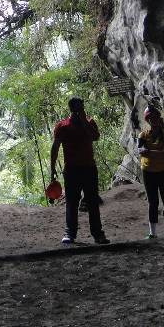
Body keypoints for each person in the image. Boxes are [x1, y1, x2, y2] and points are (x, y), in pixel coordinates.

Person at [50, 97, 110, 245]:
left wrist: (83, 121)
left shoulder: (89, 122)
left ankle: (98, 234)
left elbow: (96, 137)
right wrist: (52, 170)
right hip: (71, 170)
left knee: (93, 202)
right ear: (71, 109)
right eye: (77, 108)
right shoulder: (62, 126)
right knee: (71, 202)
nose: (80, 110)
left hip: (89, 168)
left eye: (81, 107)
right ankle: (70, 233)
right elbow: (55, 148)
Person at [138, 106, 164, 239]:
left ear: (158, 118)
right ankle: (152, 233)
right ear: (148, 120)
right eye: (150, 118)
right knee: (153, 202)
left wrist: (148, 152)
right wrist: (152, 152)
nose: (153, 119)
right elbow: (139, 150)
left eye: (155, 117)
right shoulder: (143, 135)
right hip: (148, 172)